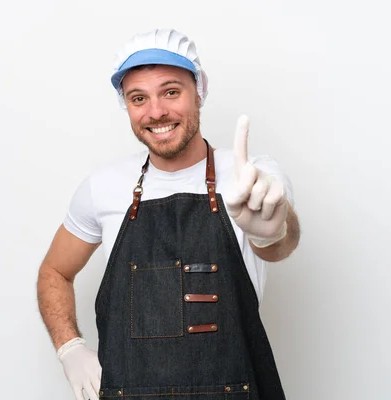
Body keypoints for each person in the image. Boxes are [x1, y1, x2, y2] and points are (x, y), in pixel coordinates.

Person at [37, 28, 300, 400]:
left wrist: (270, 233)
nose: (156, 111)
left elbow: (282, 242)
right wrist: (70, 348)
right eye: (138, 98)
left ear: (199, 93)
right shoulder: (103, 187)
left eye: (171, 91)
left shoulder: (251, 174)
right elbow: (54, 271)